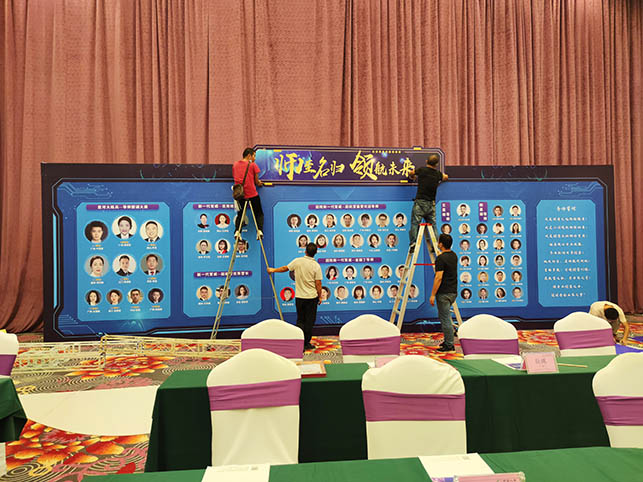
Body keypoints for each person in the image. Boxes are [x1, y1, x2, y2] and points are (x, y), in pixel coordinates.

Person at [268, 243, 322, 351]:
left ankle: (300, 344)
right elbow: (318, 284)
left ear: (305, 251)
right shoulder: (316, 266)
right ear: (315, 253)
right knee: (309, 321)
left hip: (300, 297)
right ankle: (306, 343)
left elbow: (285, 268)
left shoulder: (297, 261)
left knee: (300, 320)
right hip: (312, 298)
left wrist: (273, 270)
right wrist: (319, 297)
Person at [407, 153, 448, 249]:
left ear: (426, 161)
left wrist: (412, 176)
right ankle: (436, 245)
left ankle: (413, 242)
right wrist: (442, 177)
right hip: (431, 204)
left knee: (415, 223)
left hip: (420, 203)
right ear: (436, 164)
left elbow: (411, 173)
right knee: (433, 225)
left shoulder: (422, 170)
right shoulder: (437, 174)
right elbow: (445, 177)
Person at [429, 234, 458, 352]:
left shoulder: (441, 258)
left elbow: (438, 277)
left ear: (441, 244)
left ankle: (449, 344)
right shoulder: (454, 256)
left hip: (444, 293)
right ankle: (447, 341)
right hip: (453, 292)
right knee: (445, 317)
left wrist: (432, 294)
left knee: (445, 319)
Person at [233, 147, 265, 240]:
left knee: (240, 214)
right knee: (259, 213)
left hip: (240, 194)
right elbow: (256, 181)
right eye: (254, 156)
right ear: (249, 156)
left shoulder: (235, 165)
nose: (255, 158)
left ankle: (237, 232)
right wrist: (260, 183)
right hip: (252, 194)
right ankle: (259, 231)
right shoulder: (253, 165)